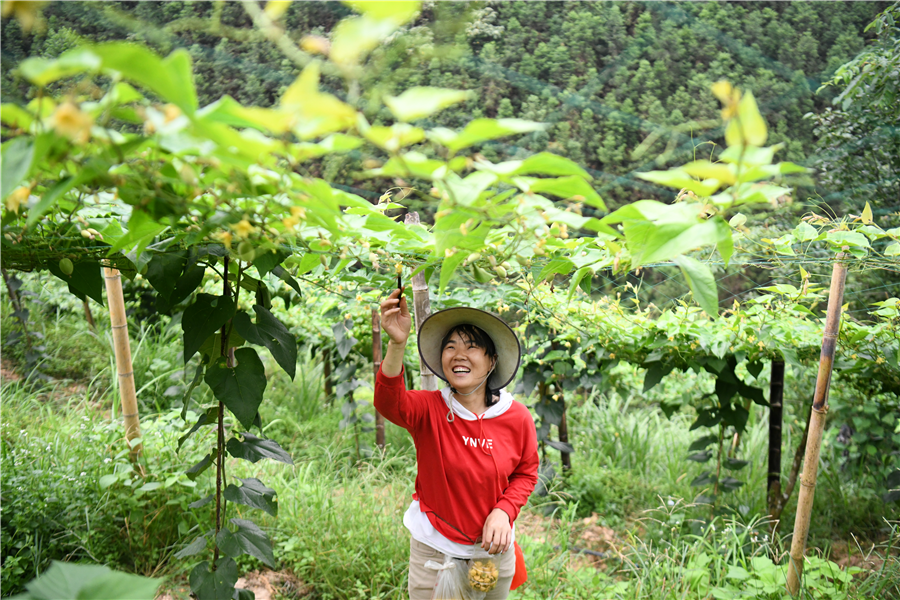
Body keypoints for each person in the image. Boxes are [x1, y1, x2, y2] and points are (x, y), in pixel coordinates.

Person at [375, 288, 539, 599]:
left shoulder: (515, 416)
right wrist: (398, 344)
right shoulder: (431, 409)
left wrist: (504, 512)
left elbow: (526, 472)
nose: (458, 354)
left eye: (472, 347)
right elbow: (387, 402)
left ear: (492, 361)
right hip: (434, 552)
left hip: (491, 552)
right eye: (450, 347)